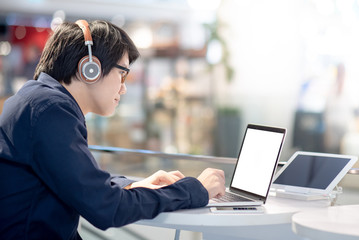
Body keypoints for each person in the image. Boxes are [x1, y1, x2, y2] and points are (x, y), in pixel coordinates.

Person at [0, 20, 225, 239]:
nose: (124, 88)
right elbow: (106, 207)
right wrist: (196, 190)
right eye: (122, 73)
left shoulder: (39, 101)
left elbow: (79, 178)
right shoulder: (49, 110)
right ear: (90, 69)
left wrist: (132, 185)